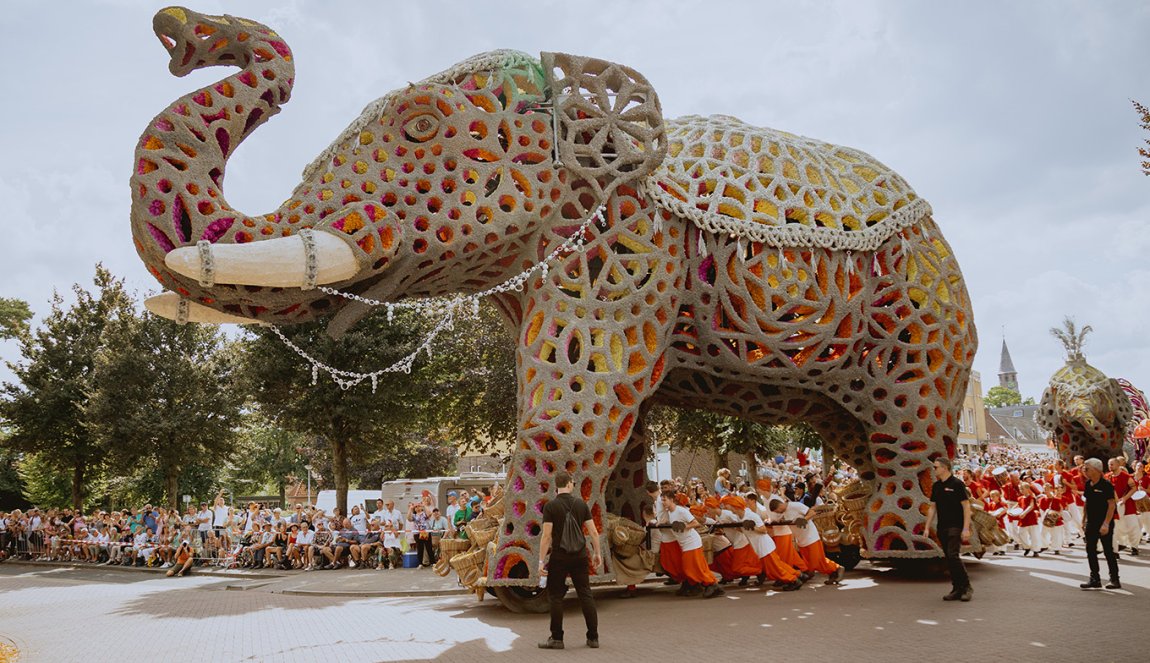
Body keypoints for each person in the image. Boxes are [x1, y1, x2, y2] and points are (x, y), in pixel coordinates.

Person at [538, 471, 601, 650]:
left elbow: (546, 536)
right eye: (573, 482)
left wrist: (541, 562)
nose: (574, 484)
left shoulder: (550, 507)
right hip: (580, 556)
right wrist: (597, 553)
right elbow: (593, 532)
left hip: (559, 556)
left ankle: (557, 639)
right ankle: (593, 638)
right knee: (585, 594)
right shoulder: (581, 504)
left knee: (556, 597)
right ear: (568, 484)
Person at [924, 456, 973, 602]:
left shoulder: (957, 484)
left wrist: (966, 528)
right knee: (949, 559)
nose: (934, 469)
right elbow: (932, 508)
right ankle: (956, 588)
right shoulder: (936, 486)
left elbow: (966, 507)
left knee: (953, 555)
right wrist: (927, 527)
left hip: (956, 526)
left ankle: (966, 587)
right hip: (942, 526)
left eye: (936, 467)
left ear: (944, 468)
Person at [1080, 458, 1120, 589]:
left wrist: (1106, 524)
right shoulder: (1088, 484)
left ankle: (1114, 579)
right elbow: (1087, 502)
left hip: (1104, 522)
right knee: (1090, 550)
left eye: (1087, 468)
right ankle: (1095, 579)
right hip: (1091, 522)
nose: (1084, 471)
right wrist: (1084, 519)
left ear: (1097, 470)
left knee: (1108, 551)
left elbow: (1111, 505)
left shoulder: (1106, 485)